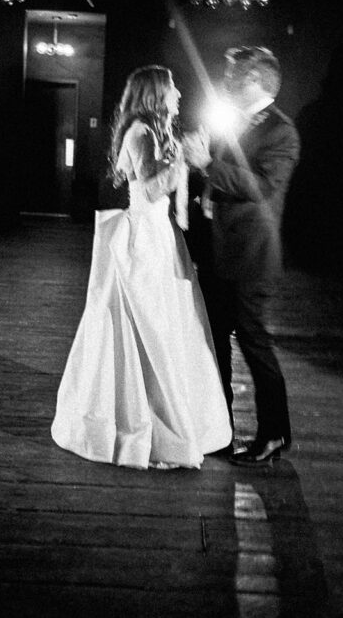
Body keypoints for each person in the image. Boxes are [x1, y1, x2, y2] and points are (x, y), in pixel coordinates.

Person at [51, 65, 232, 470]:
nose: (179, 95)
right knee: (147, 328)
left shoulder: (155, 131)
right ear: (154, 94)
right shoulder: (139, 132)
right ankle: (145, 427)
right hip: (144, 239)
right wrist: (182, 158)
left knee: (169, 327)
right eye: (172, 89)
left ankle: (172, 421)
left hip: (161, 236)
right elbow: (149, 188)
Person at [183, 46, 301, 468]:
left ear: (254, 81)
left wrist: (208, 164)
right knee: (216, 347)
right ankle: (219, 431)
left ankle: (274, 434)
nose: (226, 81)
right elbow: (214, 175)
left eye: (233, 76)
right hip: (217, 253)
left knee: (254, 346)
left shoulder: (283, 132)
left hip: (251, 258)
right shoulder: (230, 120)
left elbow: (262, 187)